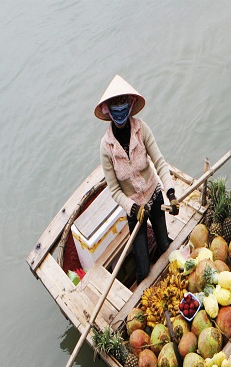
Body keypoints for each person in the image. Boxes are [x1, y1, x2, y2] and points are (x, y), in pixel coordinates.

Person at [95, 75, 180, 284]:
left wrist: (171, 193)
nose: (119, 109)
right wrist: (133, 208)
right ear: (107, 110)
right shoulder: (106, 147)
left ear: (130, 104)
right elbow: (114, 190)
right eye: (114, 105)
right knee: (142, 267)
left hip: (155, 198)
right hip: (135, 210)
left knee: (164, 244)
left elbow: (160, 163)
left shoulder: (142, 129)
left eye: (122, 103)